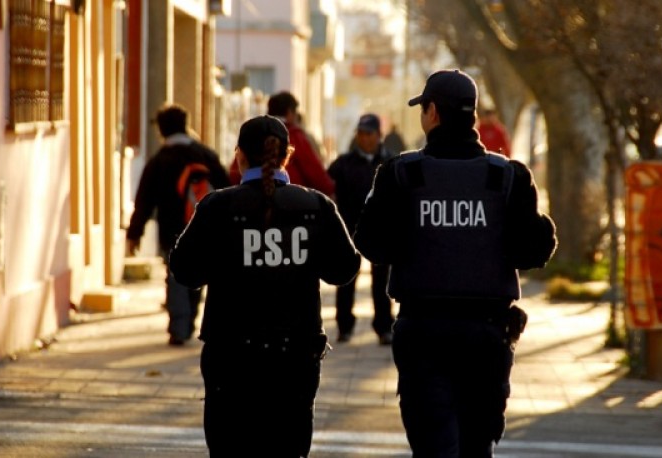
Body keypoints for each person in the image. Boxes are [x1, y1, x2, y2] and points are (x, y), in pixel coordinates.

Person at [354, 69, 557, 456]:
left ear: (432, 113)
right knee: (476, 447)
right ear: (473, 116)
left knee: (433, 445)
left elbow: (370, 243)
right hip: (487, 334)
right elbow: (535, 251)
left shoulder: (400, 173)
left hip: (423, 331)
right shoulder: (507, 177)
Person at [170, 115, 361, 457]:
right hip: (295, 357)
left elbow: (185, 271)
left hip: (231, 357)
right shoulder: (316, 206)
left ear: (239, 156)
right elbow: (344, 269)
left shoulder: (218, 207)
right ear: (287, 155)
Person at [127, 103, 230, 346]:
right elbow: (227, 189)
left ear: (162, 130)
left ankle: (179, 327)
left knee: (176, 276)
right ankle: (190, 321)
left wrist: (134, 233)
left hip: (172, 230)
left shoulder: (159, 161)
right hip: (207, 230)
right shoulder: (206, 155)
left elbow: (144, 201)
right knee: (199, 275)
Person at [327, 113, 395, 344]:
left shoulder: (390, 163)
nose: (364, 138)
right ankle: (344, 326)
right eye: (361, 133)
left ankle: (384, 327)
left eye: (369, 133)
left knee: (381, 282)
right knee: (347, 278)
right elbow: (328, 189)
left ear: (379, 135)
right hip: (349, 231)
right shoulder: (343, 164)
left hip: (381, 231)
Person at [229, 92, 335, 197]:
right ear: (290, 113)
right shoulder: (295, 137)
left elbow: (233, 176)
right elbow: (316, 175)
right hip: (294, 204)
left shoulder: (252, 134)